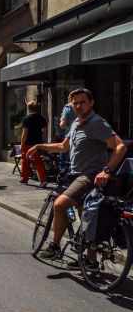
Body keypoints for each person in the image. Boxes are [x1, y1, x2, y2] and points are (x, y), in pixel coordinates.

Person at [28, 88, 127, 261]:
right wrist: (40, 146)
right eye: (75, 103)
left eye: (83, 102)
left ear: (91, 103)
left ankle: (55, 247)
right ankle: (90, 261)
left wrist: (107, 170)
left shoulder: (96, 123)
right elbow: (63, 147)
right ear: (71, 105)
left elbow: (120, 147)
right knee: (85, 216)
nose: (79, 106)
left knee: (60, 204)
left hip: (89, 176)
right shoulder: (76, 123)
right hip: (75, 174)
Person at [20, 101, 47, 187]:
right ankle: (43, 180)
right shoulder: (42, 118)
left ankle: (25, 178)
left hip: (28, 143)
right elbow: (44, 130)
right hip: (38, 143)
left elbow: (25, 133)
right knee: (38, 162)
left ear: (29, 108)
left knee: (25, 161)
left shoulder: (27, 119)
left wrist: (22, 143)